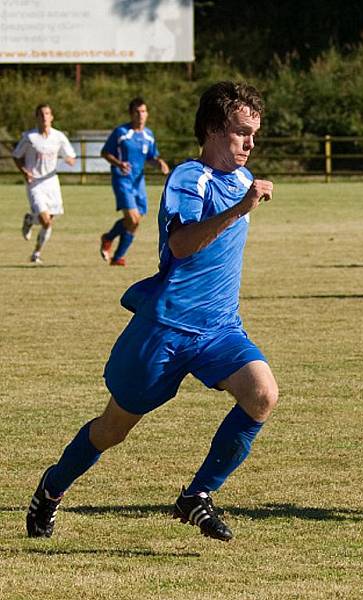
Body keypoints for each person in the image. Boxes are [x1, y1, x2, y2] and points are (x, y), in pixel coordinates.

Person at [26, 81, 278, 542]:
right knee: (112, 430)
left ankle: (197, 495)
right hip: (164, 328)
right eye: (243, 132)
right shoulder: (189, 177)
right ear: (216, 129)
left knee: (262, 395)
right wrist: (241, 209)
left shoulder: (242, 179)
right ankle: (52, 488)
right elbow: (181, 246)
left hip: (219, 328)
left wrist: (243, 200)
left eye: (254, 134)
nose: (250, 143)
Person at [99, 97, 170, 266]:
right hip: (122, 180)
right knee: (132, 219)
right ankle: (109, 239)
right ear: (131, 114)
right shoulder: (121, 132)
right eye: (137, 112)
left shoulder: (148, 135)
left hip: (139, 182)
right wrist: (119, 163)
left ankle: (117, 257)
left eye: (143, 111)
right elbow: (105, 152)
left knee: (135, 221)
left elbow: (151, 157)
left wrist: (159, 163)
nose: (141, 115)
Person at [11, 104, 77, 264]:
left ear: (52, 117)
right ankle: (31, 225)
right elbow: (16, 156)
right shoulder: (30, 137)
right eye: (41, 114)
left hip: (52, 182)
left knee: (48, 222)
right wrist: (25, 171)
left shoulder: (58, 137)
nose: (45, 117)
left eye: (47, 114)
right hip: (35, 183)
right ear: (37, 118)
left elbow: (71, 156)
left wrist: (69, 160)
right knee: (45, 220)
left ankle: (36, 252)